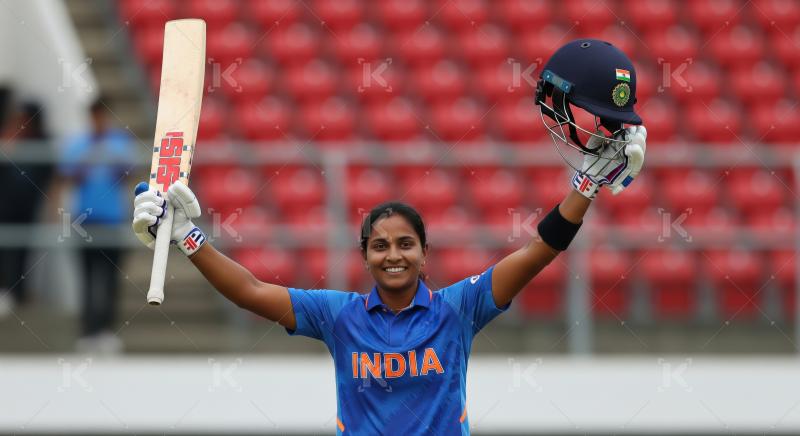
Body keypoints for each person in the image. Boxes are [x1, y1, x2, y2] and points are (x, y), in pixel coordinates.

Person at [132, 39, 647, 434]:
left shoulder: (458, 309)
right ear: (365, 256)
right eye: (381, 245)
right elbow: (249, 292)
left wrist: (586, 188)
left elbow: (542, 249)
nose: (393, 255)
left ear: (425, 255)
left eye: (405, 244)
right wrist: (187, 237)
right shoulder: (339, 317)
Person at [60, 96, 133, 353]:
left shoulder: (119, 142)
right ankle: (88, 330)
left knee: (111, 279)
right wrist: (89, 158)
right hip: (85, 221)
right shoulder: (79, 144)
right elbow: (69, 176)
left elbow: (126, 174)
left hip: (113, 219)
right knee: (88, 278)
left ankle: (106, 330)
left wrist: (108, 156)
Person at [0, 98, 55, 317]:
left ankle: (18, 293)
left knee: (23, 253)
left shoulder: (42, 143)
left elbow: (48, 178)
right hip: (5, 207)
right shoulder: (10, 139)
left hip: (28, 208)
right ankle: (6, 291)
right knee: (5, 249)